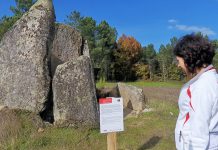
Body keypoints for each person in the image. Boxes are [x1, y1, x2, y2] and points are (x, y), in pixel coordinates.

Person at [174, 34, 218, 150]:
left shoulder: (201, 86)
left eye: (178, 60)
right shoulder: (213, 79)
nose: (178, 65)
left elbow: (198, 132)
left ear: (188, 57)